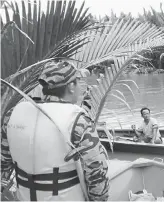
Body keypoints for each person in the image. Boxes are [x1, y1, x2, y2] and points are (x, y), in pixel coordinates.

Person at [1, 60, 109, 201]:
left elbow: (3, 164)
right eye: (78, 82)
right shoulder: (78, 121)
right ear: (71, 86)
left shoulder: (12, 115)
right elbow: (97, 174)